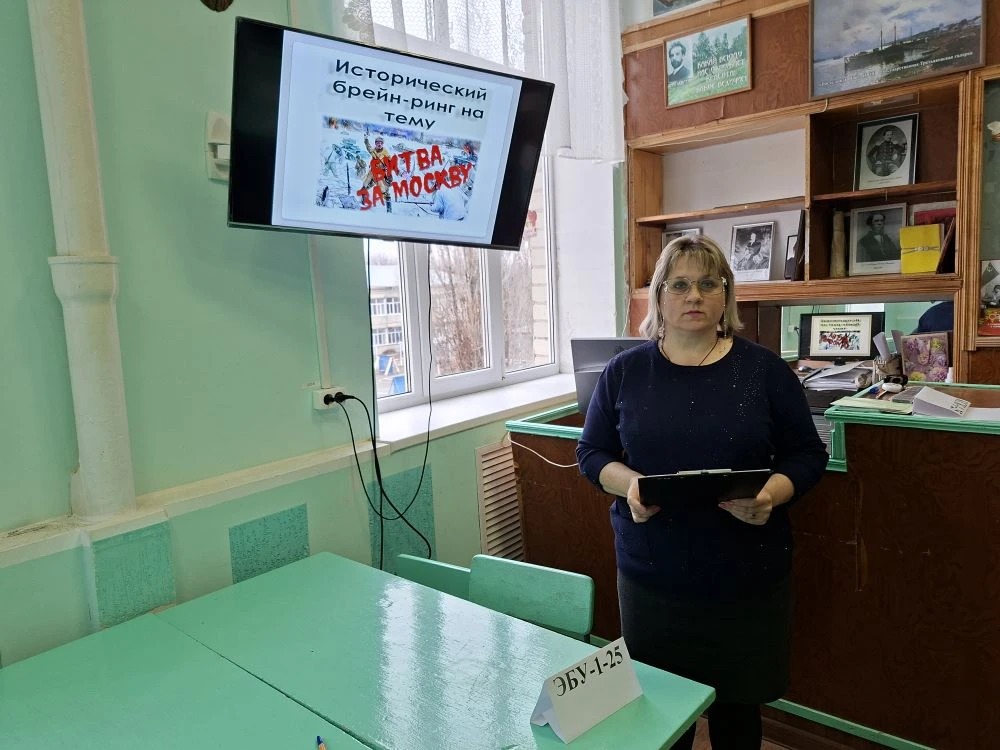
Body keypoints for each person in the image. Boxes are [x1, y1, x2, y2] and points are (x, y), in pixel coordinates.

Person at [576, 235, 828, 750]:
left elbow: (807, 454)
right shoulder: (625, 372)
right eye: (680, 284)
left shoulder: (764, 371)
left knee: (738, 713)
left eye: (709, 284)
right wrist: (631, 485)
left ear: (726, 295)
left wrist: (771, 495)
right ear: (659, 296)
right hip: (653, 576)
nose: (694, 295)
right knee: (663, 714)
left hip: (746, 575)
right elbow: (592, 453)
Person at [363, 134, 394, 213]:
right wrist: (366, 139)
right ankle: (362, 203)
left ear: (382, 144)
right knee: (364, 187)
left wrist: (389, 172)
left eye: (381, 143)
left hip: (381, 174)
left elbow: (390, 162)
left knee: (385, 192)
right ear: (375, 143)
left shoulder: (385, 151)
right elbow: (368, 148)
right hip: (373, 173)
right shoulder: (373, 151)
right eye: (377, 142)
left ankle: (389, 210)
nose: (379, 144)